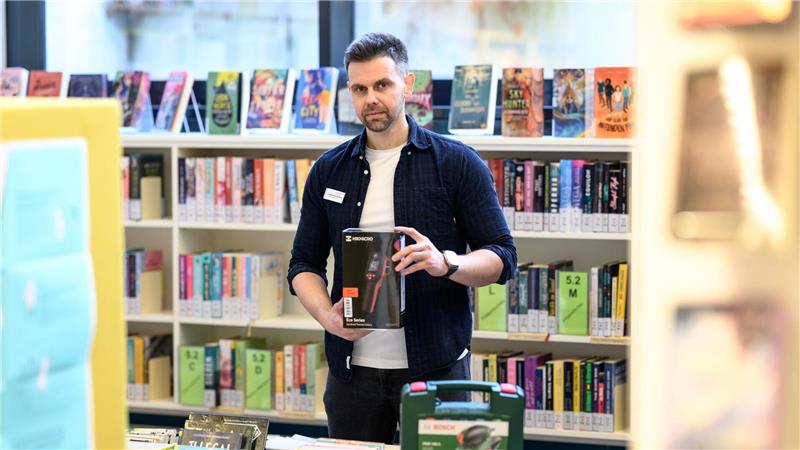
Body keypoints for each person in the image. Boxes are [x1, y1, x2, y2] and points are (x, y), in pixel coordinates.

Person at [287, 32, 517, 444]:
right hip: (352, 374)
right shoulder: (328, 170)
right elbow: (302, 264)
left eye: (382, 85)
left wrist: (447, 262)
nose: (370, 98)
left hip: (436, 371)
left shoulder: (457, 163)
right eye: (359, 88)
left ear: (408, 85)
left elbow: (503, 257)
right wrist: (327, 317)